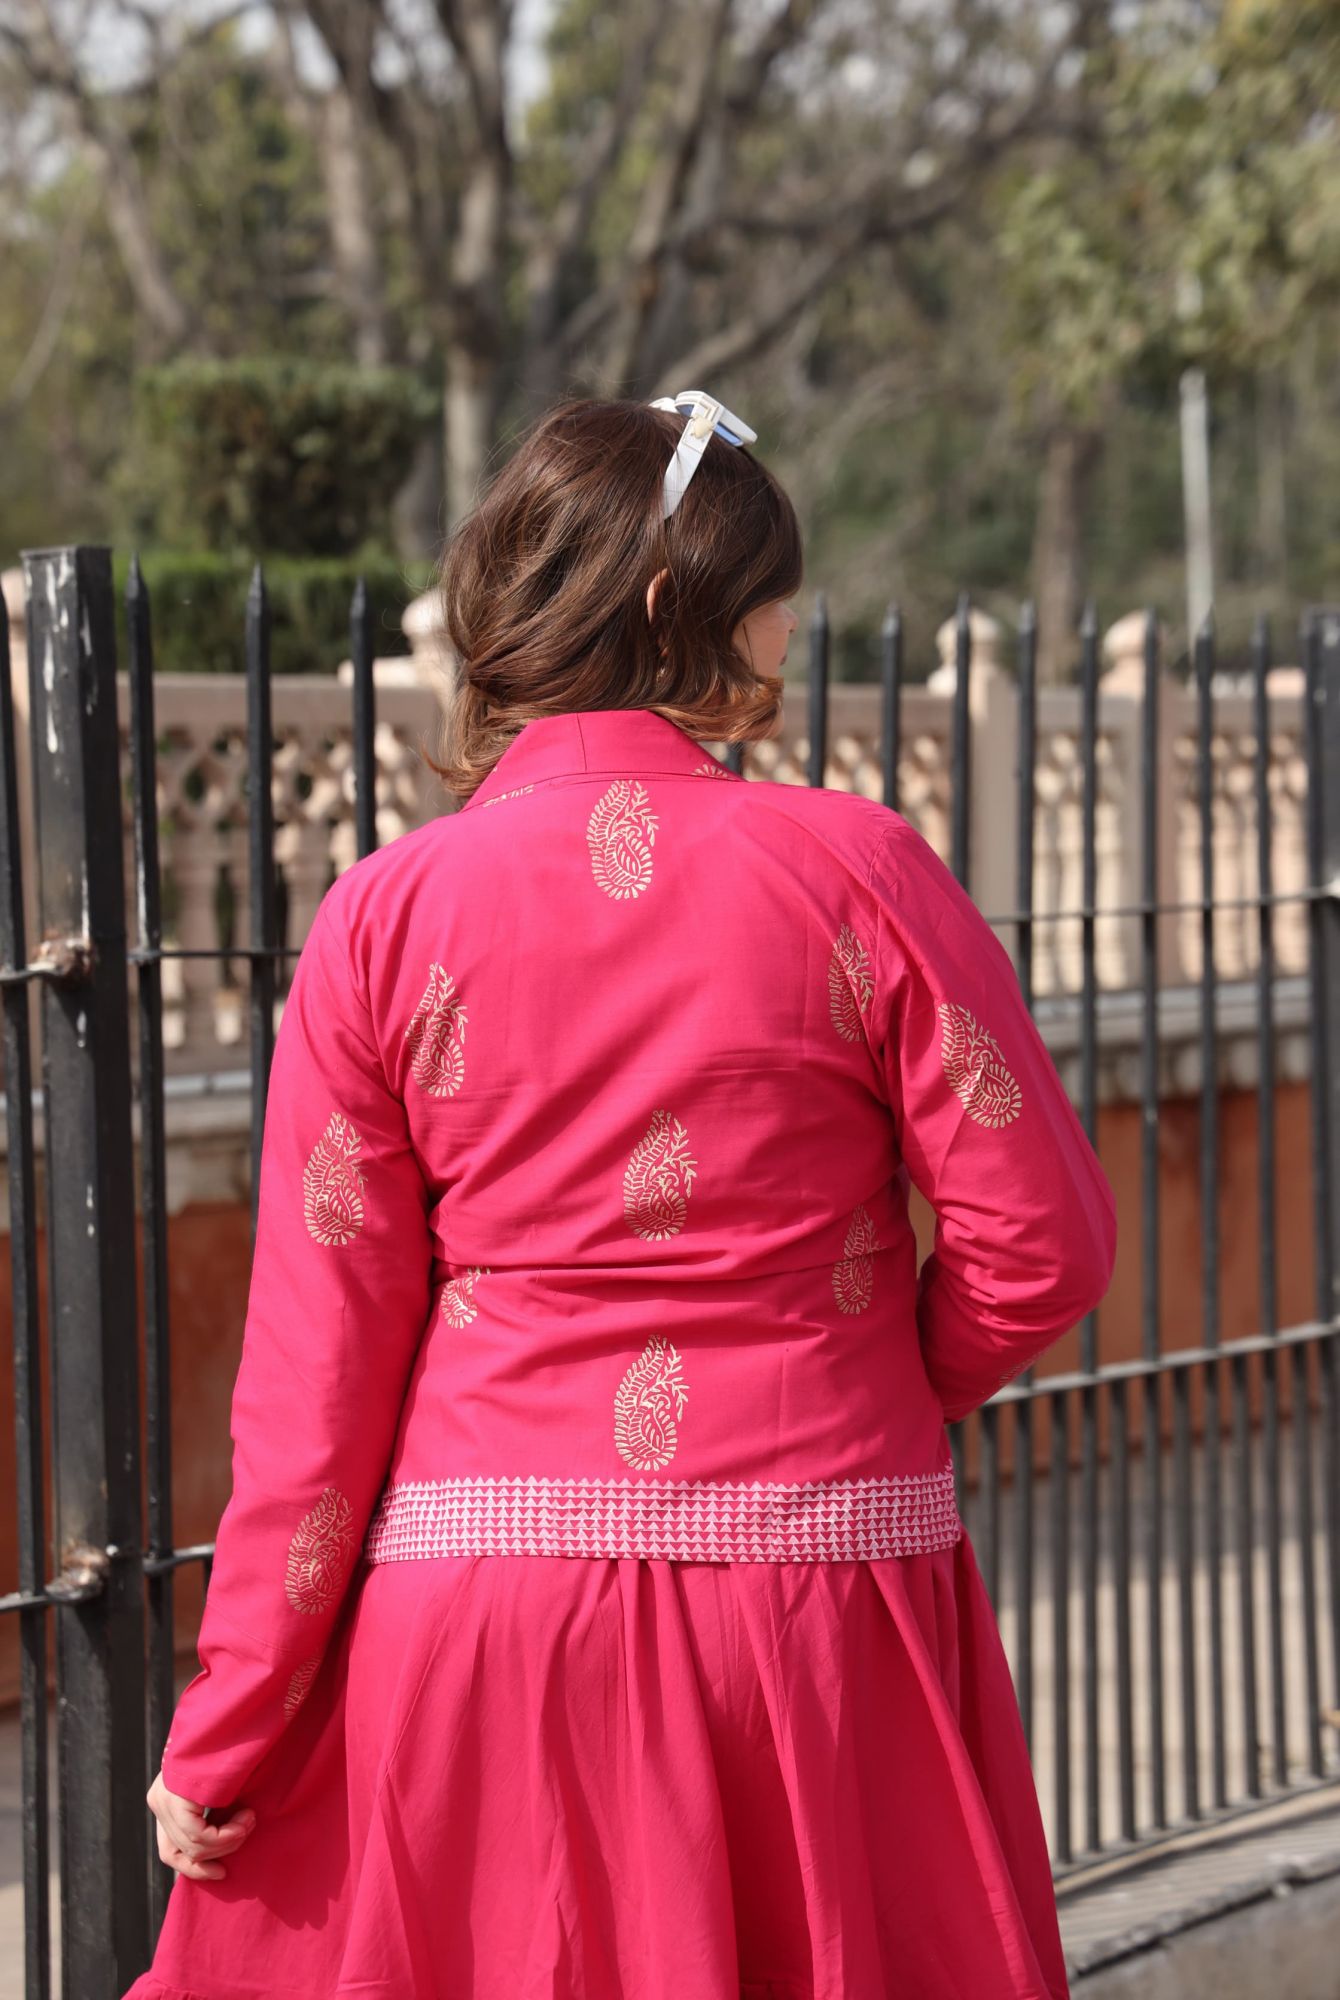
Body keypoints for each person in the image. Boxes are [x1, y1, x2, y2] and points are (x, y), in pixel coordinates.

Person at [125, 389, 1116, 2000]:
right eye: (774, 585)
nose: (795, 623)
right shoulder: (860, 871)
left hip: (484, 1624)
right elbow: (1043, 1245)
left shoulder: (384, 917)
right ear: (676, 608)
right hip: (817, 1605)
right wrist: (871, 1383)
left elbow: (313, 1385)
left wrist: (228, 1725)